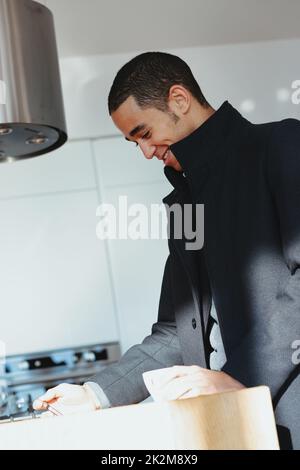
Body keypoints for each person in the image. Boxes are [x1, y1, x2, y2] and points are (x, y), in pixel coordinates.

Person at [34, 52, 300, 449]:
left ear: (179, 99)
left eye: (144, 133)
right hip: (226, 428)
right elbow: (176, 331)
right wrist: (94, 393)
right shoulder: (185, 205)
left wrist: (241, 378)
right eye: (134, 141)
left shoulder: (281, 144)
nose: (145, 152)